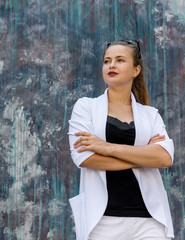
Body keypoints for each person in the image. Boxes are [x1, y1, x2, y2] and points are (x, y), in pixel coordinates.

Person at [68, 40, 174, 240]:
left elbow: (164, 158)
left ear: (136, 70)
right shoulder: (85, 108)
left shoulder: (150, 115)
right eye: (107, 61)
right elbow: (84, 158)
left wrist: (106, 147)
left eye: (120, 60)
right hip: (102, 221)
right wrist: (143, 156)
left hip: (149, 221)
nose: (111, 65)